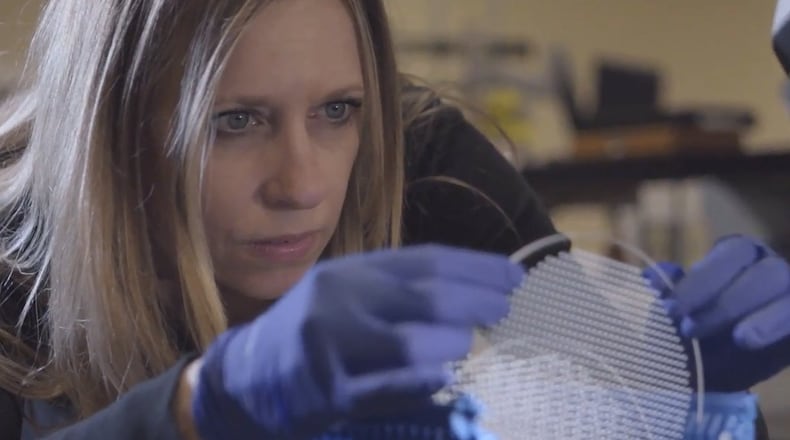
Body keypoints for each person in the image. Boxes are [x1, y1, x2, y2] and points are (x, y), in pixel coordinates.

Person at [0, 1, 556, 438]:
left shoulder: (420, 159)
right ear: (110, 128)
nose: (302, 188)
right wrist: (204, 404)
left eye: (336, 110)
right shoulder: (11, 256)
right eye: (235, 121)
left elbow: (594, 377)